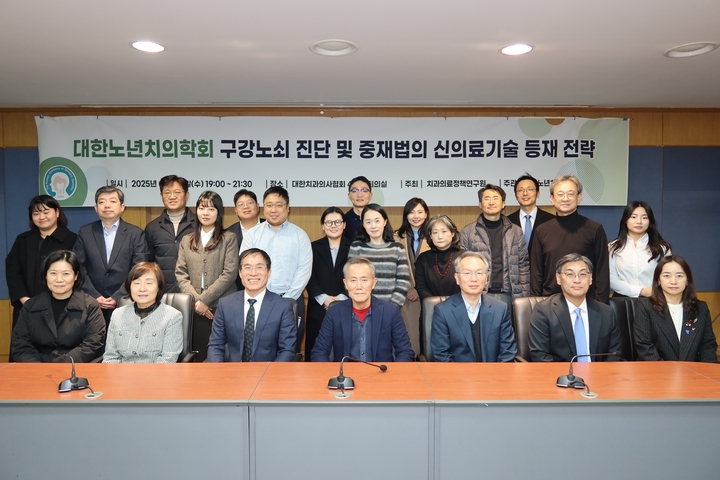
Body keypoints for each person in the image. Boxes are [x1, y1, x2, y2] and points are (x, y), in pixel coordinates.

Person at [240, 186, 312, 350]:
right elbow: (245, 267)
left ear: (288, 207)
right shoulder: (252, 234)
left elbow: (304, 270)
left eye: (279, 205)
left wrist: (287, 300)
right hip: (258, 300)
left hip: (292, 301)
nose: (274, 210)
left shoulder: (300, 235)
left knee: (289, 349)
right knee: (257, 348)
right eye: (269, 205)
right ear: (263, 207)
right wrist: (262, 296)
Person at [311, 256, 415, 362]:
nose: (359, 286)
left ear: (374, 283)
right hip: (345, 372)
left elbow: (405, 351)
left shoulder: (391, 311)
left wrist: (393, 373)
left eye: (364, 280)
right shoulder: (334, 312)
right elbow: (319, 351)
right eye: (353, 280)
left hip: (381, 371)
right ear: (345, 284)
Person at [73, 186, 150, 326]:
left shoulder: (135, 234)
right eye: (102, 202)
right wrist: (95, 295)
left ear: (122, 207)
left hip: (126, 302)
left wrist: (118, 296)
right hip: (91, 303)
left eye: (112, 201)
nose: (107, 205)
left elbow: (139, 269)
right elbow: (78, 267)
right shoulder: (85, 232)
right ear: (96, 208)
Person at [176, 190, 238, 361]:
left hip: (222, 306)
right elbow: (180, 273)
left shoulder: (229, 238)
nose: (206, 213)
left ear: (219, 212)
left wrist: (205, 300)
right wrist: (198, 302)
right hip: (194, 308)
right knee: (199, 353)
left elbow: (229, 273)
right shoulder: (187, 240)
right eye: (202, 208)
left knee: (221, 354)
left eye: (211, 209)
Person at [11, 250, 105, 362]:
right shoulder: (30, 306)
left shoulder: (90, 306)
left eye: (66, 274)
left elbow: (92, 344)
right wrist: (38, 367)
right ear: (45, 275)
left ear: (76, 276)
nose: (59, 279)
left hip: (76, 366)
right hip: (36, 367)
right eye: (53, 273)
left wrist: (60, 366)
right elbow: (21, 344)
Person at [530, 175, 610, 303]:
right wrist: (536, 302)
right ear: (552, 199)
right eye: (560, 194)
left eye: (570, 194)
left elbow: (602, 271)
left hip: (586, 301)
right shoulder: (542, 230)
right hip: (550, 301)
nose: (565, 198)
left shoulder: (594, 229)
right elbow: (536, 272)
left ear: (579, 197)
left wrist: (600, 305)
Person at [529, 253, 622, 362]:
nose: (577, 280)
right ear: (558, 278)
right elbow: (539, 356)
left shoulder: (606, 312)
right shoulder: (543, 311)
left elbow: (615, 355)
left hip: (598, 372)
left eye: (583, 274)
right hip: (561, 373)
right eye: (570, 274)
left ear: (590, 278)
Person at [207, 248, 297, 362]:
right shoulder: (225, 304)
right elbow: (215, 345)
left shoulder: (283, 307)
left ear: (269, 272)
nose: (253, 273)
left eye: (259, 267)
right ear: (240, 273)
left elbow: (287, 350)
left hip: (268, 370)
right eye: (247, 267)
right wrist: (218, 370)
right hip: (233, 371)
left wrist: (271, 372)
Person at [5, 195, 77, 332]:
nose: (41, 217)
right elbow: (12, 271)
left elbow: (77, 272)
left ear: (57, 212)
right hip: (26, 307)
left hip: (61, 307)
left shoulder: (72, 239)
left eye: (46, 212)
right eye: (36, 213)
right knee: (23, 343)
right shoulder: (23, 240)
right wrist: (24, 299)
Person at [431, 251, 517, 362]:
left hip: (493, 372)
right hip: (457, 372)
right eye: (467, 273)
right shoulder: (443, 311)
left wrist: (495, 373)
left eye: (479, 273)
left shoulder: (500, 309)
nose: (474, 279)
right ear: (457, 278)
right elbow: (441, 355)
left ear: (486, 278)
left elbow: (508, 352)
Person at [634, 256, 718, 363]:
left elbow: (708, 346)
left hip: (692, 371)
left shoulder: (700, 308)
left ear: (687, 280)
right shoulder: (645, 306)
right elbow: (644, 346)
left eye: (679, 276)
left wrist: (707, 370)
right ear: (658, 280)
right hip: (657, 370)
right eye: (667, 276)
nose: (673, 281)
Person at [460, 184, 529, 302]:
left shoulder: (515, 231)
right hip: (479, 293)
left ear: (503, 204)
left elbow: (523, 265)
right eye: (487, 199)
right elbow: (462, 266)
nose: (491, 202)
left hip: (508, 293)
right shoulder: (468, 231)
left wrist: (524, 296)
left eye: (495, 198)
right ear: (480, 204)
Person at [103, 262, 183, 363]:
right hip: (122, 372)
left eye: (149, 283)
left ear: (158, 287)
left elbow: (168, 360)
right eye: (136, 283)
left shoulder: (172, 316)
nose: (142, 289)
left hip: (157, 372)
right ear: (129, 287)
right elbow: (110, 357)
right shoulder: (117, 315)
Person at [305, 207, 351, 360]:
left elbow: (356, 276)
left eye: (337, 222)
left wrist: (341, 298)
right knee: (317, 352)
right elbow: (308, 275)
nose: (333, 225)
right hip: (318, 306)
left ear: (344, 225)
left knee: (344, 350)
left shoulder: (354, 247)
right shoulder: (311, 247)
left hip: (346, 304)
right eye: (329, 222)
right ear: (323, 226)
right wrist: (324, 298)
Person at [348, 204, 411, 309]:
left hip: (391, 308)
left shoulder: (397, 247)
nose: (373, 226)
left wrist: (392, 306)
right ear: (363, 224)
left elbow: (403, 281)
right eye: (368, 222)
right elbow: (351, 279)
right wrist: (363, 305)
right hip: (362, 308)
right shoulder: (357, 247)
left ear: (385, 222)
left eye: (377, 221)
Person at [144, 175, 198, 293]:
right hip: (162, 292)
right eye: (167, 192)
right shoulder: (152, 228)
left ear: (187, 195)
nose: (172, 196)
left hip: (193, 292)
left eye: (177, 192)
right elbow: (148, 263)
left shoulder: (199, 225)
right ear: (161, 196)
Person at [609, 201, 671, 297]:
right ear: (625, 220)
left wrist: (653, 291)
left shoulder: (662, 248)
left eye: (644, 217)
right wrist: (641, 291)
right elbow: (611, 279)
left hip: (653, 297)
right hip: (622, 300)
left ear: (650, 221)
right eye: (633, 217)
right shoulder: (613, 247)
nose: (639, 221)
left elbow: (668, 276)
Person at [394, 197, 430, 355]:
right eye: (412, 212)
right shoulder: (396, 237)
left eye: (420, 212)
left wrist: (419, 289)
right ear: (406, 215)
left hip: (428, 293)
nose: (416, 216)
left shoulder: (434, 236)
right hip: (405, 296)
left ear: (426, 214)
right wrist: (408, 288)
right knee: (408, 338)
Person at [415, 215, 464, 299]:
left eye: (444, 231)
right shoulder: (423, 258)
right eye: (435, 232)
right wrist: (436, 304)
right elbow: (421, 288)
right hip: (431, 305)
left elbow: (469, 284)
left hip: (460, 304)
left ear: (452, 233)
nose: (440, 237)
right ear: (430, 235)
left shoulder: (465, 257)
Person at [226, 189, 265, 290]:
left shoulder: (271, 227)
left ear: (258, 206)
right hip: (238, 289)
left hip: (269, 287)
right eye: (241, 204)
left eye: (250, 203)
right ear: (236, 210)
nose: (246, 207)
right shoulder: (227, 235)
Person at [507, 172, 555, 254]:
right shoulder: (507, 221)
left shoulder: (551, 220)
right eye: (520, 190)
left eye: (530, 189)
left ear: (538, 193)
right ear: (516, 195)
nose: (525, 193)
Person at [343, 175, 373, 241]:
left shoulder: (378, 219)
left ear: (370, 195)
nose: (359, 195)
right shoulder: (344, 220)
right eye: (354, 191)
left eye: (364, 191)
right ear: (349, 195)